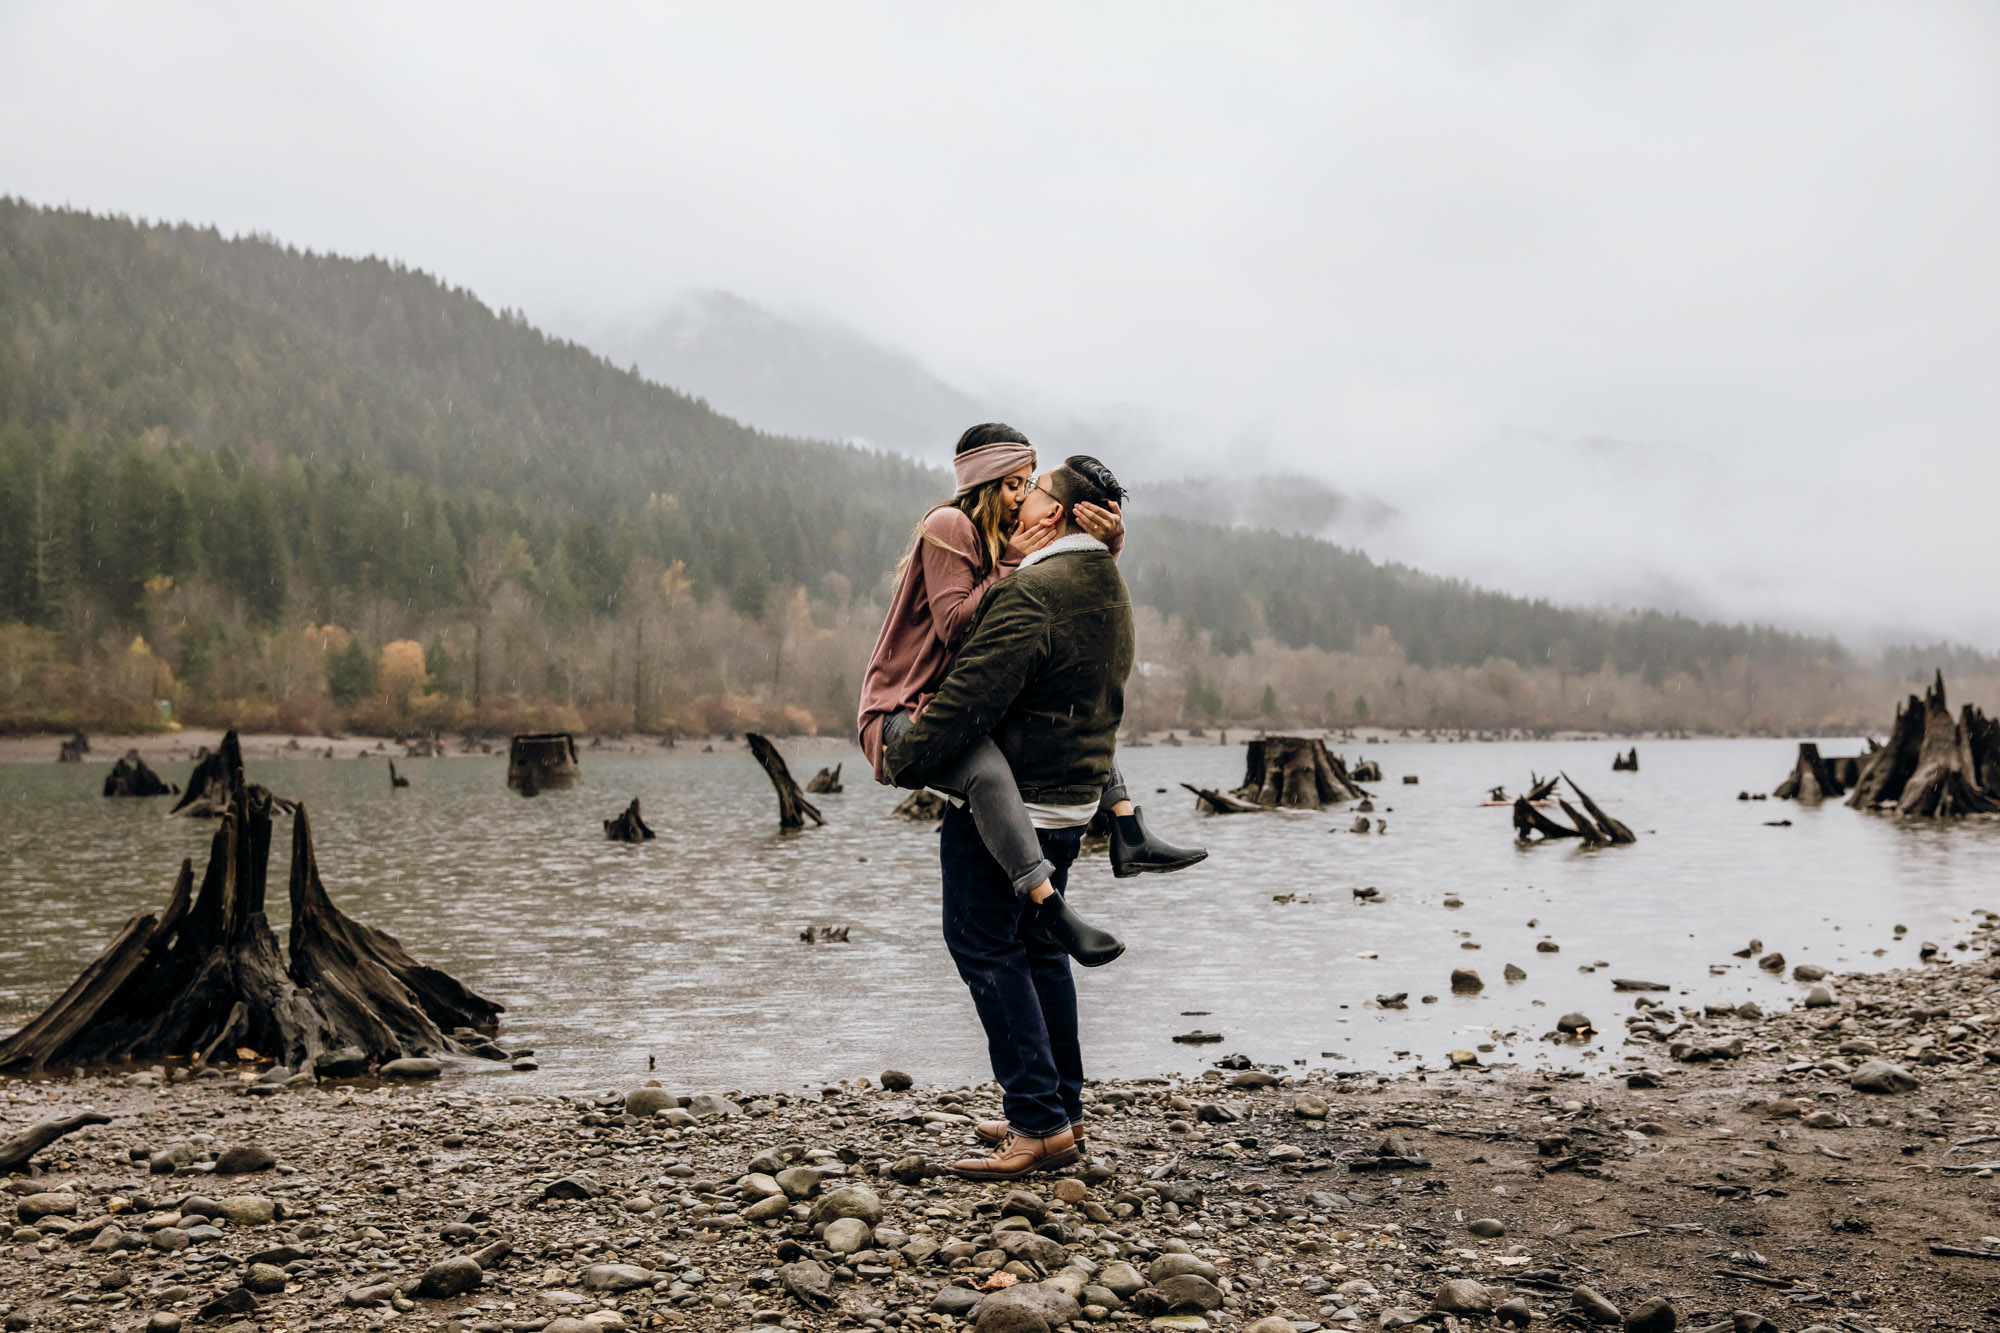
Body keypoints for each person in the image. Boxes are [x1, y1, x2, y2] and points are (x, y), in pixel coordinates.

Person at [856, 425, 1203, 959]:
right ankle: (1047, 901)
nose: (1022, 497)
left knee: (1071, 703)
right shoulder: (948, 524)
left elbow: (1062, 597)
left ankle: (1128, 827)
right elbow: (955, 625)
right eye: (1014, 484)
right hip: (903, 706)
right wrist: (1011, 558)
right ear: (986, 481)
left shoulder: (1003, 536)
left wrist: (1105, 543)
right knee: (986, 768)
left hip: (952, 701)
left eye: (1028, 485)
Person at [882, 454, 1136, 1179]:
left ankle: (1037, 1123)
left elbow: (968, 700)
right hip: (1069, 802)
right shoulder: (1106, 581)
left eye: (1037, 493)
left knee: (984, 946)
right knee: (1039, 949)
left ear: (1053, 514)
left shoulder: (1032, 593)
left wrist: (904, 757)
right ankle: (1063, 1107)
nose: (1022, 503)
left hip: (1011, 807)